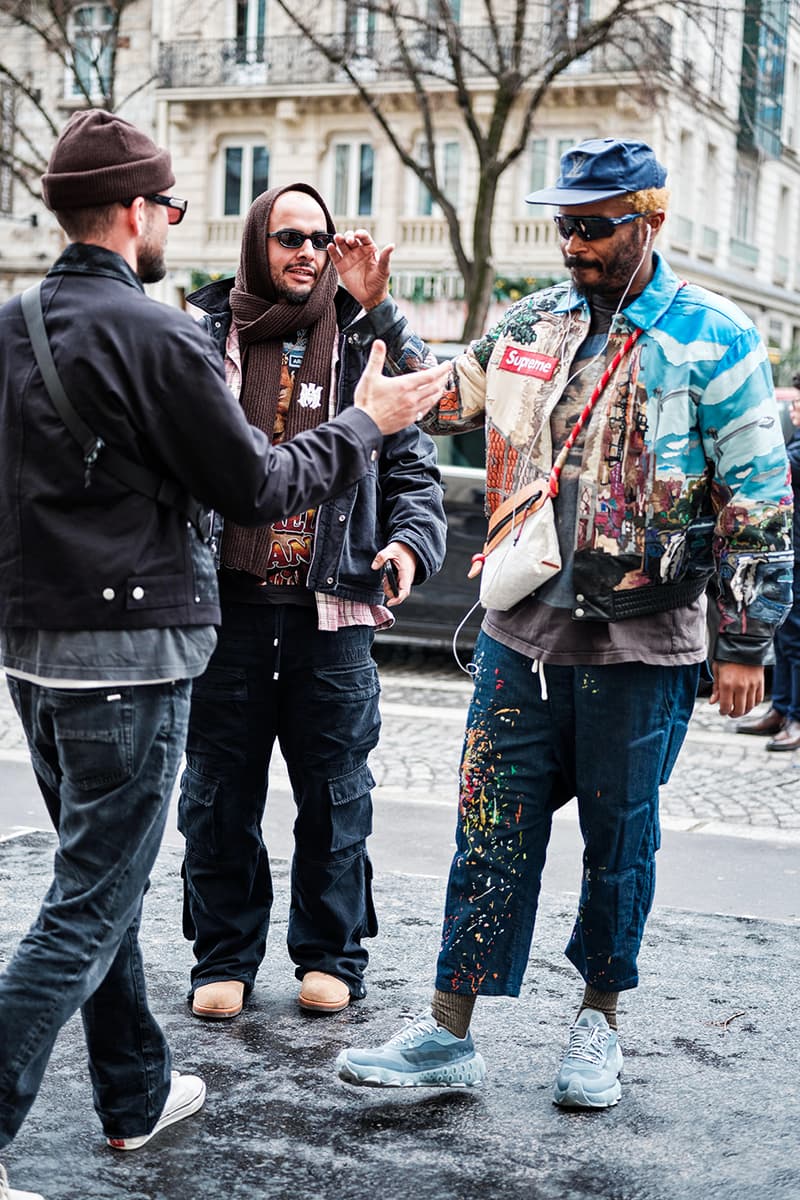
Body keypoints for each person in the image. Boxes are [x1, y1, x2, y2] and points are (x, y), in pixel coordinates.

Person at [0, 110, 447, 1199]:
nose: (173, 223)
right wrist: (367, 423)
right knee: (91, 900)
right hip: (132, 654)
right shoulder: (165, 334)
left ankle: (135, 1093)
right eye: (170, 205)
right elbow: (255, 485)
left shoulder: (13, 324)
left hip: (34, 651)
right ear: (136, 210)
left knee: (100, 881)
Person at [334, 137, 793, 1108]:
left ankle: (598, 1023)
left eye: (593, 226)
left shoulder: (714, 337)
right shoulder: (532, 320)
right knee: (488, 830)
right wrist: (378, 312)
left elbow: (759, 496)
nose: (574, 244)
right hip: (520, 634)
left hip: (643, 641)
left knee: (619, 844)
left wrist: (747, 639)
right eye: (564, 227)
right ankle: (448, 1028)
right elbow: (444, 398)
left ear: (649, 221)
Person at [178, 184, 446, 1021]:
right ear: (256, 242)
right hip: (226, 611)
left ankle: (331, 955)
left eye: (319, 238)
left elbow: (418, 464)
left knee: (336, 799)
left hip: (332, 614)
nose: (306, 251)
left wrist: (409, 545)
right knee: (217, 797)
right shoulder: (203, 337)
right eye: (288, 236)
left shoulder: (364, 342)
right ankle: (223, 955)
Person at [737, 378, 800, 750]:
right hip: (789, 553)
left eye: (798, 403)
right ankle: (781, 708)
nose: (793, 409)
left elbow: (776, 470)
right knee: (785, 635)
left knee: (795, 640)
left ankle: (795, 716)